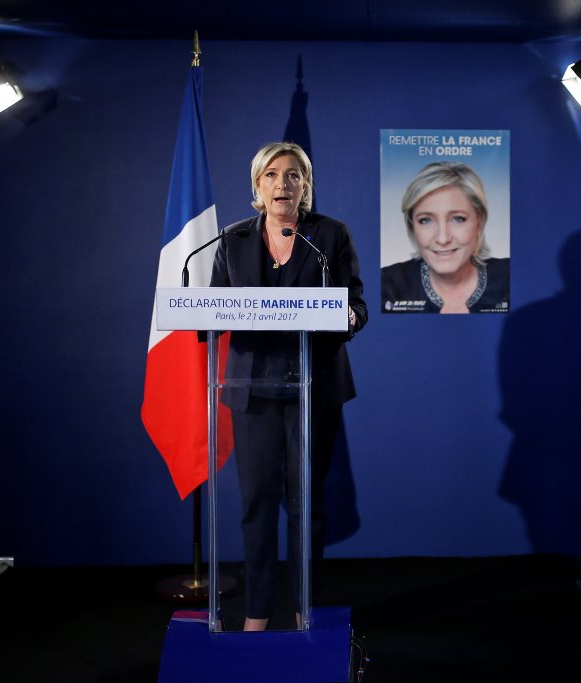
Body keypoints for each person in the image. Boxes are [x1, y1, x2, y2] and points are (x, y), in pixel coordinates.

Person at [210, 141, 368, 631]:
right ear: (257, 186)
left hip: (311, 389)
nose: (284, 183)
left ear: (306, 184)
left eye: (294, 175)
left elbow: (356, 306)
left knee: (306, 505)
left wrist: (346, 315)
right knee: (256, 504)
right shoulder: (232, 239)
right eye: (273, 175)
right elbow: (213, 308)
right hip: (252, 389)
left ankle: (305, 609)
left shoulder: (330, 235)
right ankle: (256, 611)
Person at [381, 161, 509, 313]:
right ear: (412, 226)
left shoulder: (513, 277)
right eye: (426, 220)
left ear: (479, 222)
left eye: (458, 219)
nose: (443, 239)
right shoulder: (387, 285)